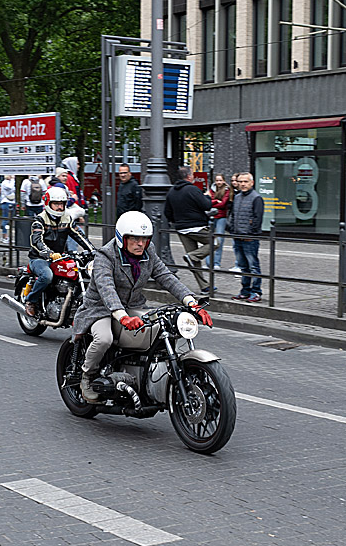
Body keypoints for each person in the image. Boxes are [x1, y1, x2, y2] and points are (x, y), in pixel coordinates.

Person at [71, 211, 212, 403]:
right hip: (100, 309)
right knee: (104, 339)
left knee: (161, 332)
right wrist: (122, 316)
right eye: (135, 239)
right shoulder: (106, 255)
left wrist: (191, 302)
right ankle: (87, 377)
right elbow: (107, 289)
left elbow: (165, 276)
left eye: (145, 239)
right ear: (122, 238)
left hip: (134, 306)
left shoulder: (148, 251)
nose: (140, 243)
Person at [24, 187, 94, 316]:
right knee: (46, 276)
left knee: (80, 273)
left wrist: (93, 250)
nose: (59, 207)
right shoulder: (40, 220)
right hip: (39, 258)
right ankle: (31, 301)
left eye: (61, 204)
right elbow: (36, 241)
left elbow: (79, 235)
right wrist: (49, 253)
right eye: (56, 204)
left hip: (60, 257)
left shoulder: (66, 219)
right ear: (48, 204)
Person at [164, 165, 215, 294]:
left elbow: (167, 212)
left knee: (194, 261)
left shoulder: (171, 192)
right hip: (197, 227)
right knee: (214, 243)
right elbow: (207, 205)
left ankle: (204, 287)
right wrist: (207, 196)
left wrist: (176, 222)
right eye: (192, 174)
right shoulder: (193, 189)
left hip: (181, 229)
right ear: (189, 176)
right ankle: (191, 256)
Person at [228, 172, 265, 303]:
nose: (243, 184)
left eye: (245, 182)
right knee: (243, 266)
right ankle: (245, 291)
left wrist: (251, 234)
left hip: (249, 238)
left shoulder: (256, 198)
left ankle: (256, 291)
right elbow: (233, 215)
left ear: (252, 183)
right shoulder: (237, 197)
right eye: (240, 182)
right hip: (237, 236)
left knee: (253, 266)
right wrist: (232, 230)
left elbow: (257, 218)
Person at [205, 173, 231, 268]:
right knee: (208, 240)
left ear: (224, 181)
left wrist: (212, 202)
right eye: (217, 180)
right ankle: (208, 263)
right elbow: (207, 202)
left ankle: (216, 263)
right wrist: (216, 201)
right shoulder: (211, 190)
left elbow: (223, 204)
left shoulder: (227, 190)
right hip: (211, 217)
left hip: (221, 217)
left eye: (220, 180)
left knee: (219, 241)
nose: (219, 182)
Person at [0, 175, 16, 244]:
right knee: (5, 220)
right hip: (6, 202)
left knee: (11, 220)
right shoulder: (5, 183)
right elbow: (11, 188)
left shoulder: (10, 182)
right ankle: (4, 236)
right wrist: (13, 179)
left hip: (12, 202)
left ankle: (8, 236)